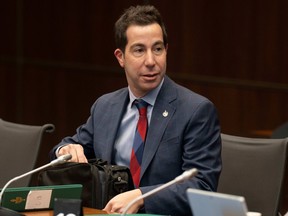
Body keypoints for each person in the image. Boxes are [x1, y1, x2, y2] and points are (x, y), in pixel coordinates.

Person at [49, 4, 222, 216]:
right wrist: (64, 151)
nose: (151, 61)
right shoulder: (105, 106)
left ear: (166, 50)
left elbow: (201, 186)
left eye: (157, 49)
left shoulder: (196, 111)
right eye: (139, 50)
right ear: (120, 57)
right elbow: (70, 145)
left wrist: (141, 196)